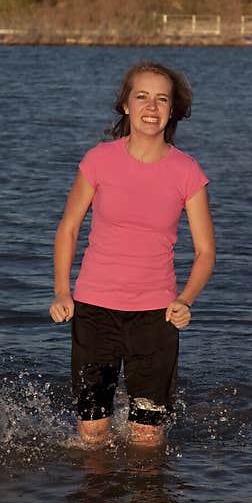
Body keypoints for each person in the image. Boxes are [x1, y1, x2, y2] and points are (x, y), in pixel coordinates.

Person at [50, 61, 215, 447]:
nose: (151, 107)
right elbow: (68, 228)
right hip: (94, 310)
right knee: (93, 431)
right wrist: (62, 290)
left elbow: (206, 252)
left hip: (156, 317)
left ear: (173, 110)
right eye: (142, 96)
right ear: (126, 104)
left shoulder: (187, 171)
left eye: (162, 99)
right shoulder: (98, 160)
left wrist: (185, 300)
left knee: (147, 434)